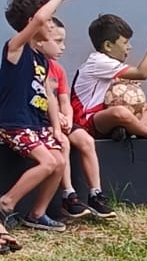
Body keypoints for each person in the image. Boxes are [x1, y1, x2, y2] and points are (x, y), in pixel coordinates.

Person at [0, 0, 75, 233]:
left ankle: (37, 214)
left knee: (59, 161)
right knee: (48, 163)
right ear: (35, 21)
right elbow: (40, 19)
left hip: (36, 124)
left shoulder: (41, 58)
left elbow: (50, 95)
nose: (51, 25)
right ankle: (6, 203)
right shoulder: (15, 48)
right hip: (14, 124)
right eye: (49, 21)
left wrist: (55, 127)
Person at [35, 16, 114, 220]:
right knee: (64, 144)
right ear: (40, 40)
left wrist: (67, 118)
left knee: (86, 141)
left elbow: (63, 100)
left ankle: (95, 194)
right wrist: (57, 119)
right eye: (58, 41)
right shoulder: (34, 67)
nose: (63, 47)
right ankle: (69, 196)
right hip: (41, 121)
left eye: (64, 41)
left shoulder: (58, 70)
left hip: (61, 120)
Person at [72, 14, 147, 141]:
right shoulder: (98, 61)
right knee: (120, 112)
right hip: (87, 123)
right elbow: (141, 73)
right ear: (108, 46)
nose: (129, 47)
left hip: (108, 122)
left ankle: (126, 131)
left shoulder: (110, 65)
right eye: (125, 42)